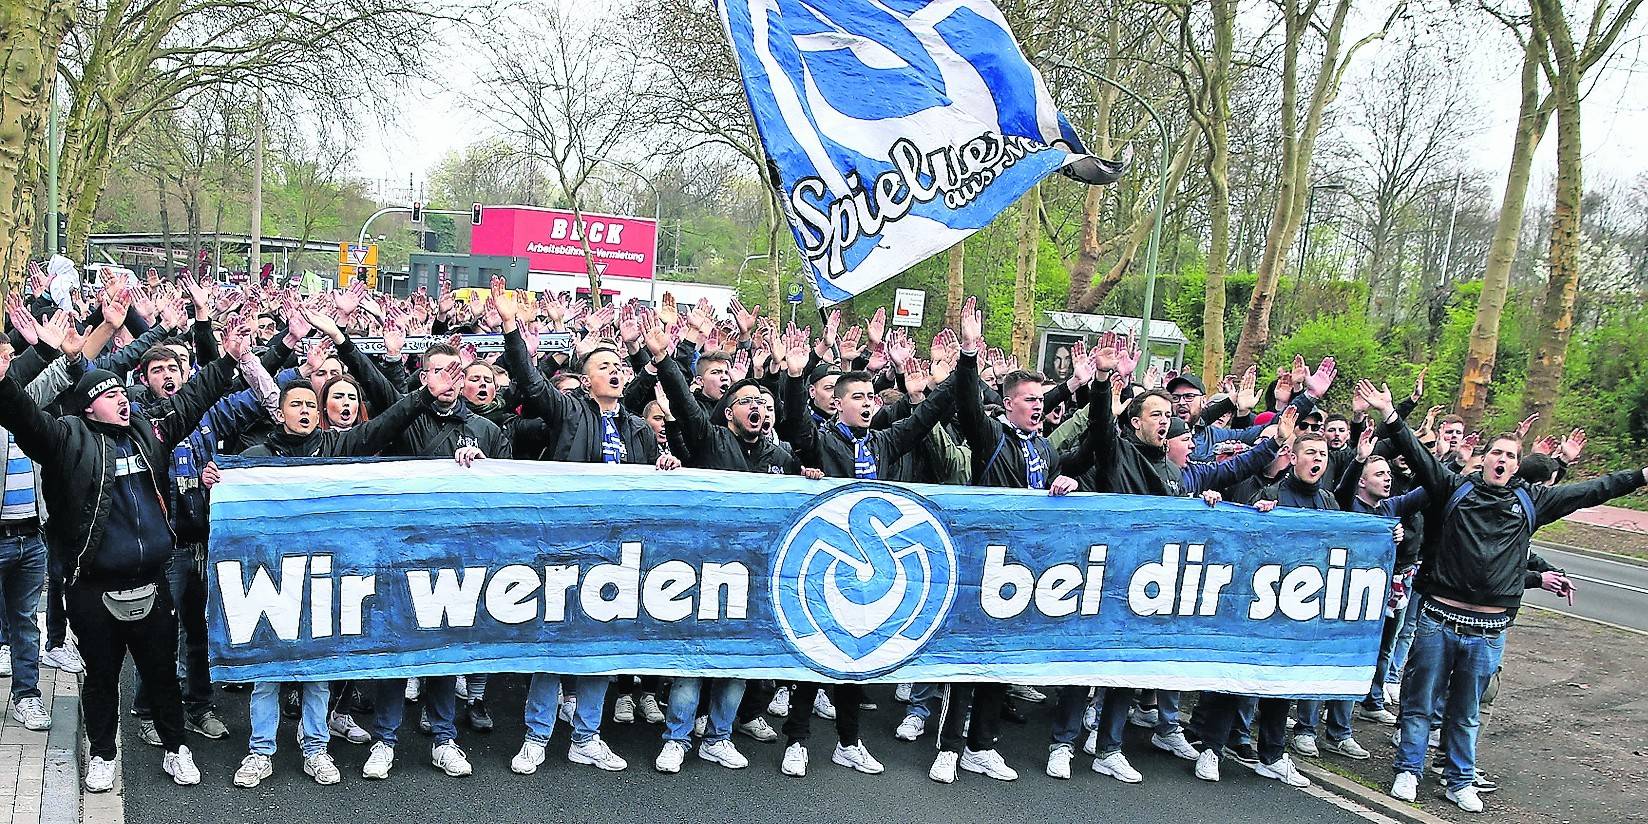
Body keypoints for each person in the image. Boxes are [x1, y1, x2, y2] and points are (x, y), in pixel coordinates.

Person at [1358, 379, 1648, 813]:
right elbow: (1418, 456)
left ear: (1517, 466)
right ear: (1485, 458)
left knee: (1467, 711)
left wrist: (1641, 476)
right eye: (1497, 452)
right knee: (1419, 702)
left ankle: (1459, 780)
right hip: (1439, 619)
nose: (1502, 460)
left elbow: (1593, 490)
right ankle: (1408, 770)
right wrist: (1391, 415)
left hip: (1489, 630)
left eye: (1511, 456)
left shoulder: (1533, 502)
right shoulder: (1453, 488)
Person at [0, 315, 257, 792]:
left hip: (152, 583)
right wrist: (8, 379)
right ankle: (102, 755)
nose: (121, 399)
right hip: (93, 588)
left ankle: (176, 749)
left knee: (162, 674)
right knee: (101, 677)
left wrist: (227, 358)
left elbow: (192, 400)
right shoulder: (65, 440)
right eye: (109, 394)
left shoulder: (147, 434)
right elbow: (24, 419)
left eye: (123, 392)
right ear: (88, 406)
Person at [231, 371, 460, 788]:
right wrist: (217, 479)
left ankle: (315, 749)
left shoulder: (336, 447)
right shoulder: (255, 458)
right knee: (268, 674)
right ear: (280, 413)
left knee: (319, 672)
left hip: (324, 578)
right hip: (274, 578)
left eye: (310, 405)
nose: (304, 411)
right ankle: (260, 751)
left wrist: (424, 395)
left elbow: (385, 424)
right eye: (296, 405)